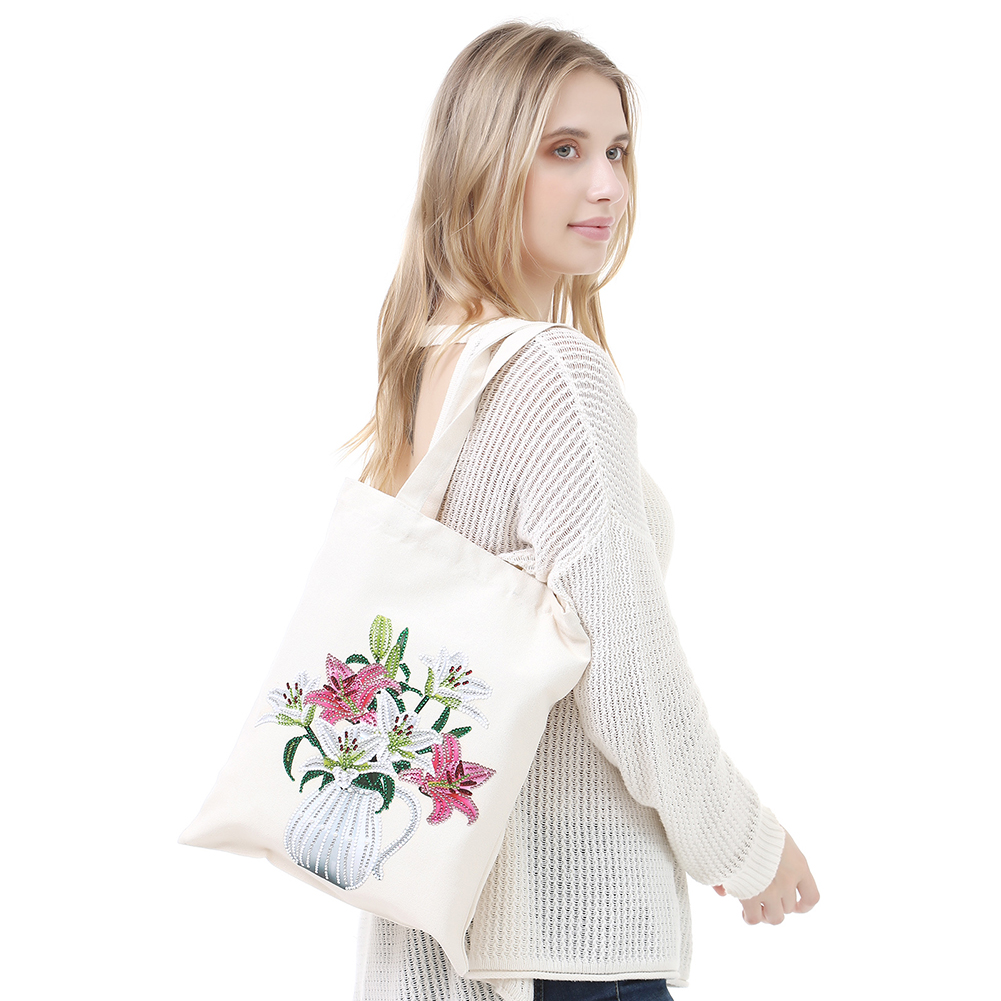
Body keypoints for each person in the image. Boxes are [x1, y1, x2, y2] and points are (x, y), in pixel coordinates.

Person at [341, 20, 819, 1001]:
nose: (606, 186)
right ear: (483, 163)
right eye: (562, 150)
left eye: (616, 150)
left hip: (444, 943)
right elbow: (630, 676)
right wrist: (745, 841)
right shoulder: (552, 375)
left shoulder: (433, 366)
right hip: (564, 949)